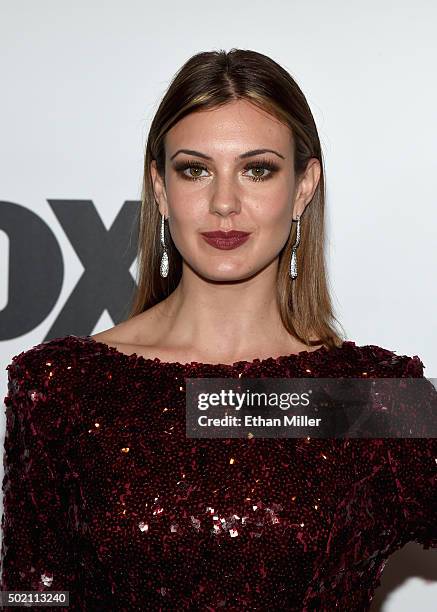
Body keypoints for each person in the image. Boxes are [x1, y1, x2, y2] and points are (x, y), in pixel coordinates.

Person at [1, 48, 436, 611]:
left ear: (304, 186)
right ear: (159, 187)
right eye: (195, 169)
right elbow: (30, 598)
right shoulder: (63, 386)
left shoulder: (372, 396)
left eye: (257, 170)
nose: (224, 203)